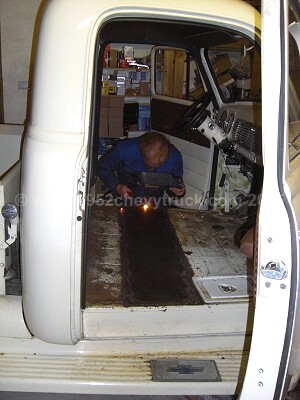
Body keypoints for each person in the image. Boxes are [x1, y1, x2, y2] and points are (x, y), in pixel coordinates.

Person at [98, 131, 186, 202]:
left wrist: (178, 192)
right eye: (150, 165)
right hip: (125, 194)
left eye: (158, 166)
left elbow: (174, 187)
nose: (153, 169)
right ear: (142, 154)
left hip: (155, 201)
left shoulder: (174, 158)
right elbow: (102, 167)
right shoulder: (124, 149)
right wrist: (117, 186)